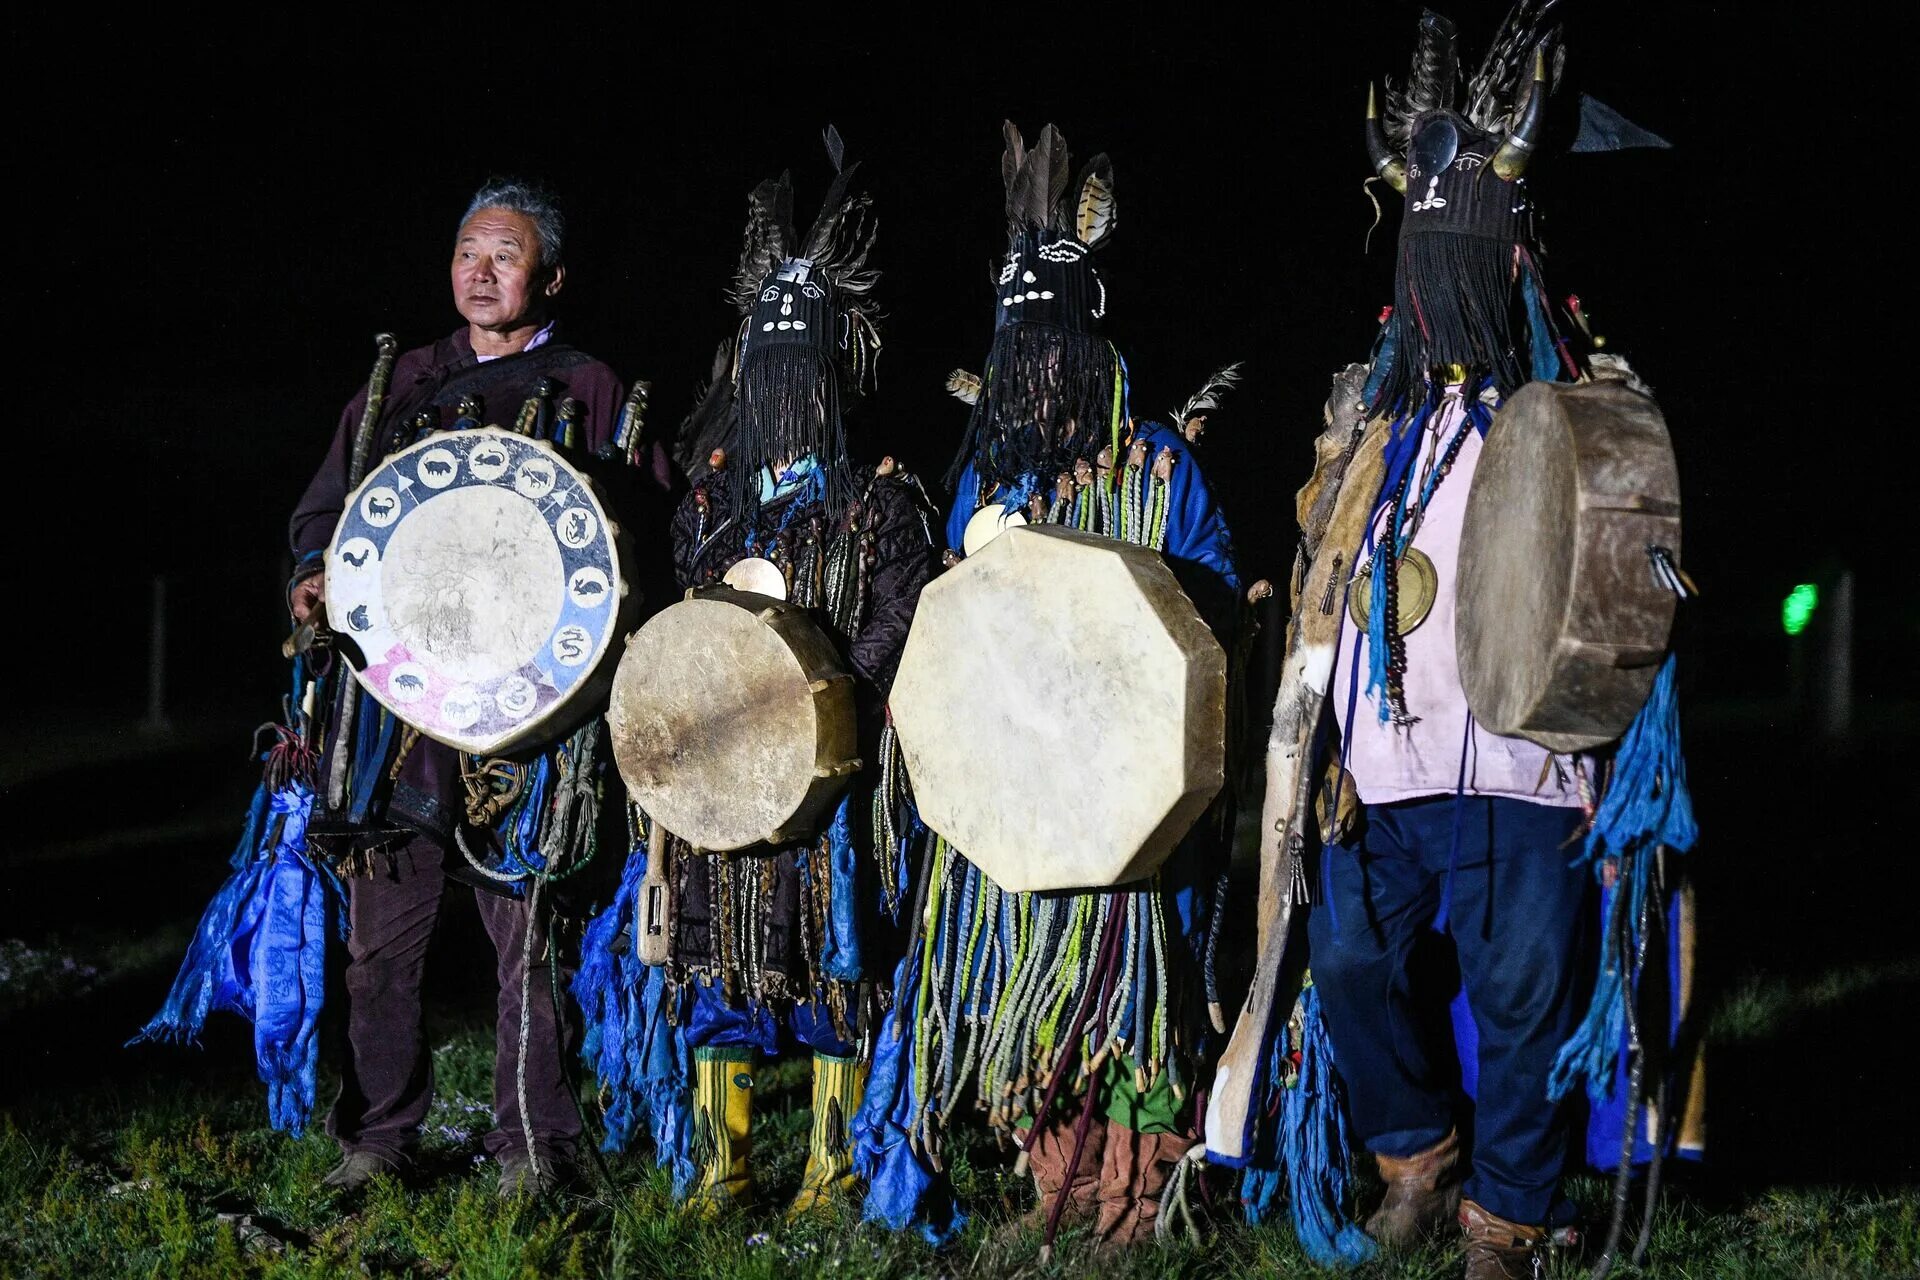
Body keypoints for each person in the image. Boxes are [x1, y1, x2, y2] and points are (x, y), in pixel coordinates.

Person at [1253, 11, 1698, 1277]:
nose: (1439, 301)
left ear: (1509, 266)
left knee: (1522, 995)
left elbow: (1626, 592)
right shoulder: (1371, 429)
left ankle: (1510, 1211)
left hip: (1523, 762)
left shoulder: (1569, 414)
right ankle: (1413, 1151)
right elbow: (1324, 582)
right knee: (1346, 957)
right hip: (1382, 772)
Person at [852, 122, 1241, 1252]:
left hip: (1131, 793)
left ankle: (1139, 1189)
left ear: (1094, 350)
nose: (1033, 377)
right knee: (1029, 976)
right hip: (1019, 782)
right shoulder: (981, 474)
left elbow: (1205, 609)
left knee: (1126, 983)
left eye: (1051, 351)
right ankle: (1055, 1181)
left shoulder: (1160, 465)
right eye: (1014, 354)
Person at [575, 132, 935, 1219]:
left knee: (831, 962)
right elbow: (688, 620)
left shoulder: (879, 496)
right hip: (722, 775)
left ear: (838, 359)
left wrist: (824, 703)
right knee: (716, 954)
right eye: (764, 354)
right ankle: (722, 1165)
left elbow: (898, 608)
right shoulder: (712, 500)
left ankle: (830, 1166)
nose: (782, 375)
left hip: (834, 776)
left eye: (803, 355)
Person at [288, 178, 668, 1199]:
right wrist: (313, 575)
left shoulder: (591, 386)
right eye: (467, 252)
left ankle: (533, 1148)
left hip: (535, 722)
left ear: (549, 273)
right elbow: (327, 513)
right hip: (397, 716)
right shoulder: (399, 382)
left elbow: (641, 534)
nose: (480, 273)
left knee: (528, 942)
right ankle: (376, 1140)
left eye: (505, 256)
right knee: (379, 944)